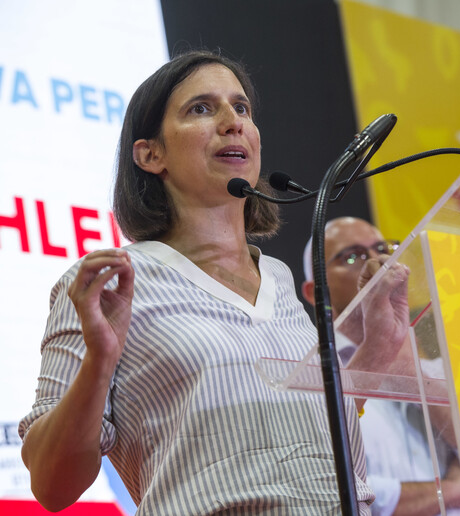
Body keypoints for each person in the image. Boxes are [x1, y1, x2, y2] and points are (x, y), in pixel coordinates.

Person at [18, 50, 409, 515]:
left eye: (241, 107)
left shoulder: (279, 278)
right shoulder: (109, 283)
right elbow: (51, 485)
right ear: (150, 154)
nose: (232, 122)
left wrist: (374, 354)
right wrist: (98, 362)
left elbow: (306, 444)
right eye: (201, 108)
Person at [301, 217, 460, 516]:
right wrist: (452, 491)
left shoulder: (440, 369)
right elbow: (323, 482)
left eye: (383, 249)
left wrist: (411, 373)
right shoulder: (309, 377)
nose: (377, 263)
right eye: (352, 256)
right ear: (316, 293)